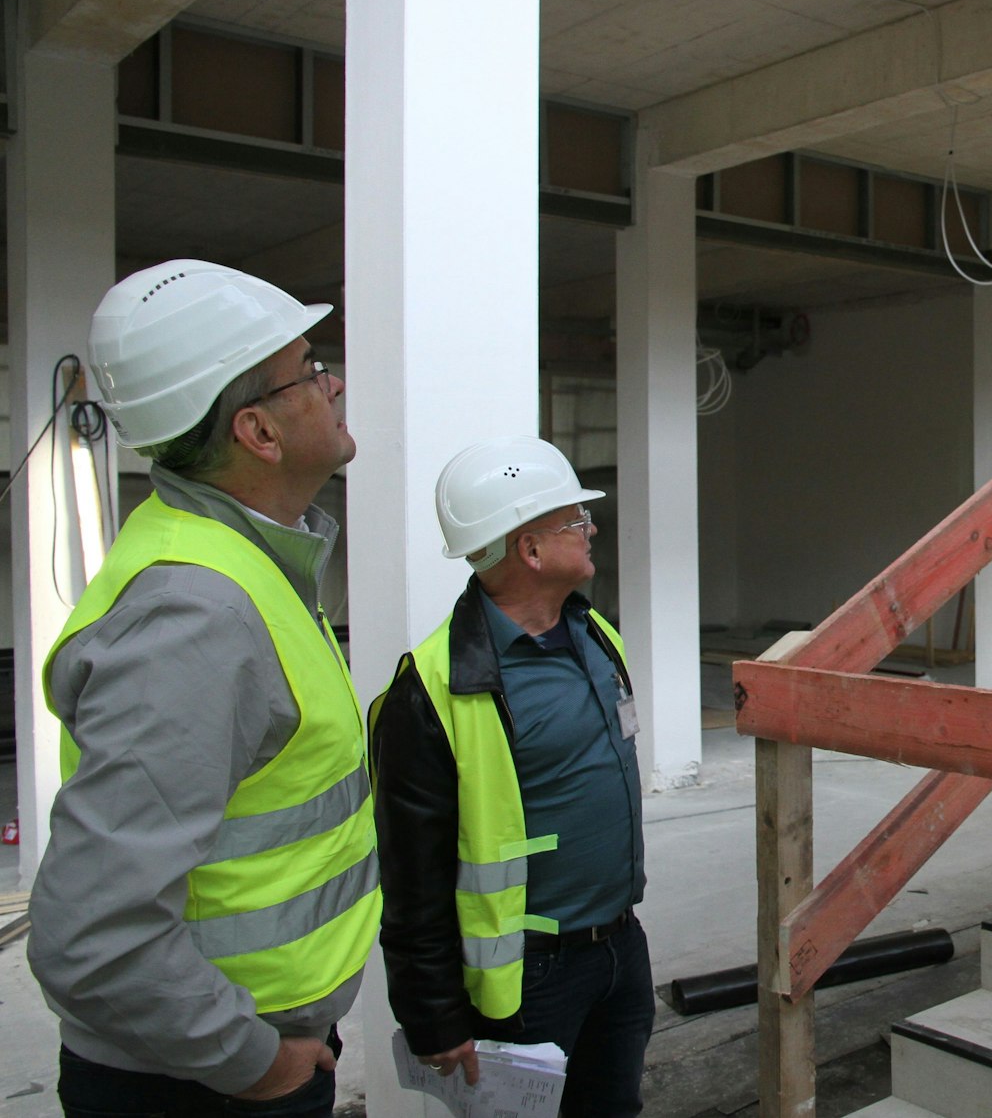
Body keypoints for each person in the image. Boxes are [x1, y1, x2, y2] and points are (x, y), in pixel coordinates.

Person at [30, 260, 377, 1117]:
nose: (334, 383)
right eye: (312, 368)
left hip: (234, 1055)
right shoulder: (197, 613)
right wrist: (255, 1062)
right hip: (205, 1078)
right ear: (259, 431)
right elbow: (93, 934)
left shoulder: (248, 562)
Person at [371, 435, 651, 1116]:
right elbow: (412, 874)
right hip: (530, 979)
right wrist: (432, 1013)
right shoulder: (431, 688)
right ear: (528, 550)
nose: (591, 528)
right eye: (572, 520)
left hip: (620, 946)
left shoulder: (596, 636)